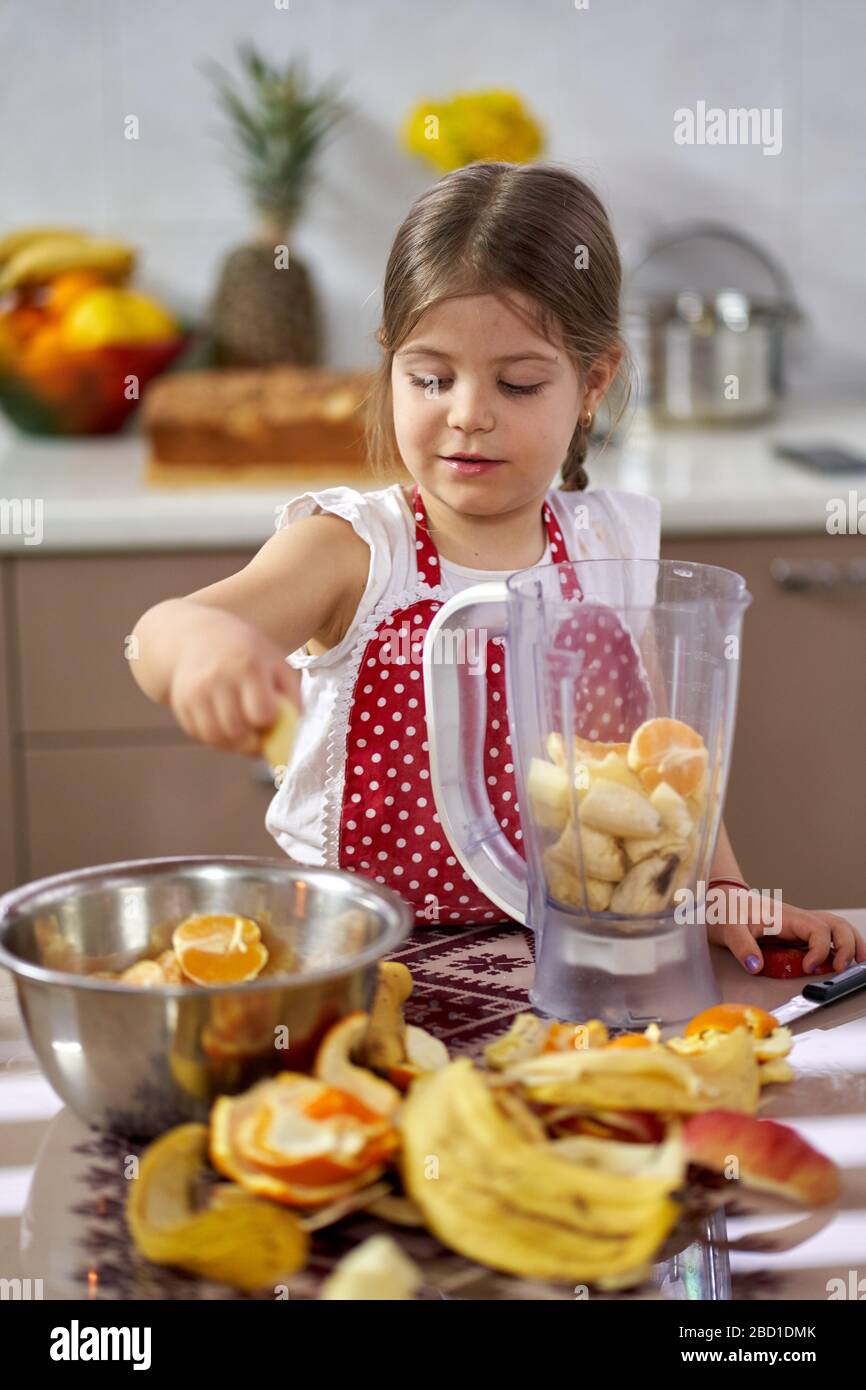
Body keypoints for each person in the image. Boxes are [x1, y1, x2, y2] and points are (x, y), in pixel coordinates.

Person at [130, 160, 864, 976]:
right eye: (431, 378)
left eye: (517, 384)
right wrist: (201, 650)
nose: (469, 413)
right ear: (390, 364)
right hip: (361, 964)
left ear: (593, 383)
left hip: (570, 963)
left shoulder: (606, 551)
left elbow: (664, 762)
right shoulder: (355, 549)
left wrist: (721, 891)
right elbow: (160, 633)